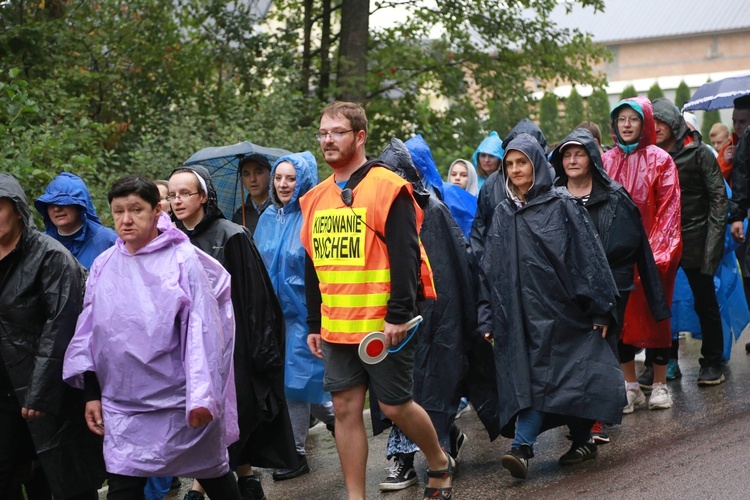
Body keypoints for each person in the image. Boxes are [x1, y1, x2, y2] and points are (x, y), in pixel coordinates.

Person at [299, 101, 454, 500]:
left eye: (337, 132)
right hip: (336, 326)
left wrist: (399, 313)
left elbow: (406, 253)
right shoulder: (314, 198)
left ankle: (438, 460)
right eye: (322, 133)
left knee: (396, 405)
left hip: (382, 324)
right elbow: (312, 262)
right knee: (346, 410)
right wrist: (314, 323)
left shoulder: (388, 187)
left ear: (360, 136)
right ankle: (356, 497)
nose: (328, 140)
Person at [63, 176, 241, 500]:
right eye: (118, 211)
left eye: (136, 209)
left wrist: (202, 396)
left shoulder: (183, 261)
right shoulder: (104, 266)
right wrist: (91, 393)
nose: (126, 219)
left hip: (178, 401)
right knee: (123, 486)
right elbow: (87, 333)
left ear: (157, 210)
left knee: (212, 474)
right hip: (123, 406)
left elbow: (203, 332)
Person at [479, 134, 622, 480]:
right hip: (518, 319)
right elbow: (489, 269)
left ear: (536, 165)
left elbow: (588, 258)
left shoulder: (562, 205)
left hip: (562, 315)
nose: (515, 170)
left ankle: (522, 448)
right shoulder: (502, 213)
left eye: (522, 163)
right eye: (509, 164)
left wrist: (600, 309)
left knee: (553, 378)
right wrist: (487, 316)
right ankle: (584, 439)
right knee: (543, 381)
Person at [168, 165, 297, 500]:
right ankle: (245, 480)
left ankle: (203, 487)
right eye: (172, 194)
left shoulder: (232, 235)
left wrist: (262, 353)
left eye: (185, 193)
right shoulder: (171, 240)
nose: (177, 200)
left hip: (233, 346)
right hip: (191, 349)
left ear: (203, 196)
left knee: (232, 416)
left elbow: (255, 299)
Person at [371, 139, 479, 492]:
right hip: (389, 314)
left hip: (434, 315)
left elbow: (453, 266)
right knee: (401, 389)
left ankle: (439, 445)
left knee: (434, 382)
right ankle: (404, 457)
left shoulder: (432, 210)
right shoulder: (373, 209)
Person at [550, 129, 671, 442]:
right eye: (567, 154)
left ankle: (596, 421)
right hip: (565, 292)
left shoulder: (614, 196)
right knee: (570, 354)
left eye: (579, 154)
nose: (572, 160)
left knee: (600, 351)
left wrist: (604, 306)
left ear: (591, 158)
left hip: (607, 292)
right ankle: (579, 418)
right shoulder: (551, 197)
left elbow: (626, 254)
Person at [0, 173, 105, 500]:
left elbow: (61, 328)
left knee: (65, 479)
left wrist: (40, 391)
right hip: (3, 392)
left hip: (49, 392)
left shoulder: (51, 257)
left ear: (17, 209)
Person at [253, 152, 336, 482]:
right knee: (299, 383)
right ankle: (336, 417)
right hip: (273, 316)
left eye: (290, 178)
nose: (283, 184)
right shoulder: (267, 218)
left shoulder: (313, 215)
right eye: (278, 178)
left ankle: (296, 453)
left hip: (305, 313)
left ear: (302, 180)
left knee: (296, 382)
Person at [602, 97, 682, 412]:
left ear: (644, 122)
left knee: (657, 317)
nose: (626, 124)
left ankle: (660, 384)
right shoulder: (606, 161)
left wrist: (658, 252)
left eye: (633, 119)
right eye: (621, 119)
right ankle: (631, 385)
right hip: (618, 257)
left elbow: (669, 209)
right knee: (621, 320)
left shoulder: (661, 160)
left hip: (654, 254)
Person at [645, 98, 728, 385]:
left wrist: (712, 244)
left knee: (704, 301)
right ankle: (662, 361)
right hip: (660, 241)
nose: (655, 127)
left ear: (673, 123)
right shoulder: (648, 155)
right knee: (659, 304)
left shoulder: (698, 153)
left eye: (661, 121)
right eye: (651, 122)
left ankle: (713, 361)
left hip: (697, 236)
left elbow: (719, 198)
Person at [470, 119, 547, 262]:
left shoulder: (552, 181)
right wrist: (483, 267)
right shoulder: (492, 184)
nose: (516, 169)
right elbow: (479, 230)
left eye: (523, 160)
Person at [34, 172, 117, 270]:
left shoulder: (107, 241)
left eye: (62, 202)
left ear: (80, 206)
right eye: (51, 204)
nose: (56, 209)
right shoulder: (40, 244)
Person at [232, 154, 273, 235]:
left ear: (270, 175)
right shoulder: (240, 216)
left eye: (258, 172)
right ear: (242, 179)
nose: (252, 179)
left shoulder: (282, 209)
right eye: (246, 174)